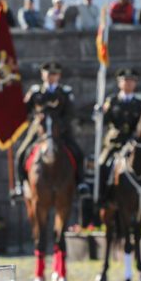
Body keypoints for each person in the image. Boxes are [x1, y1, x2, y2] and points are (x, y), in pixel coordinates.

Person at [14, 62, 87, 197]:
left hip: (61, 132)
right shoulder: (36, 92)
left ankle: (81, 183)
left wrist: (59, 126)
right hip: (39, 131)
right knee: (21, 154)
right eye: (48, 74)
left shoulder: (65, 92)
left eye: (54, 74)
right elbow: (24, 111)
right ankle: (20, 185)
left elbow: (70, 113)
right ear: (43, 75)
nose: (51, 77)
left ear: (59, 76)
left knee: (78, 153)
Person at [97, 69, 141, 207]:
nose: (128, 83)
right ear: (119, 83)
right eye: (125, 80)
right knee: (102, 164)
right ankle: (103, 196)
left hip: (133, 142)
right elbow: (105, 122)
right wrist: (100, 113)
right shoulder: (111, 101)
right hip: (115, 142)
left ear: (135, 84)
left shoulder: (140, 104)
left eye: (131, 81)